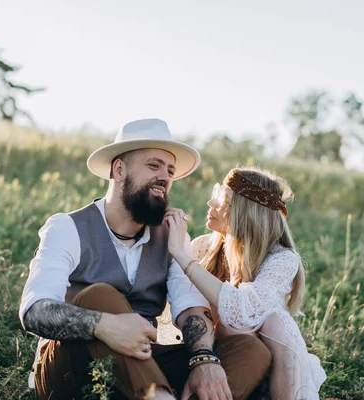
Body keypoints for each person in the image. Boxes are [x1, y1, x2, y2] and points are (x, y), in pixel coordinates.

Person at [18, 119, 272, 400]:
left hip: (142, 364)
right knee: (101, 295)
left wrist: (203, 358)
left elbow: (190, 308)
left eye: (170, 170)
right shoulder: (67, 227)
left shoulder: (171, 238)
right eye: (154, 165)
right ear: (119, 169)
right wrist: (104, 325)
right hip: (73, 368)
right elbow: (34, 310)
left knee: (250, 350)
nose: (165, 176)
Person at [164, 167, 327, 400]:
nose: (211, 203)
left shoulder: (281, 260)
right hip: (209, 355)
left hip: (261, 363)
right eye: (216, 194)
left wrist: (183, 257)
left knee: (274, 322)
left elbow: (240, 313)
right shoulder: (203, 248)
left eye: (223, 201)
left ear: (245, 213)